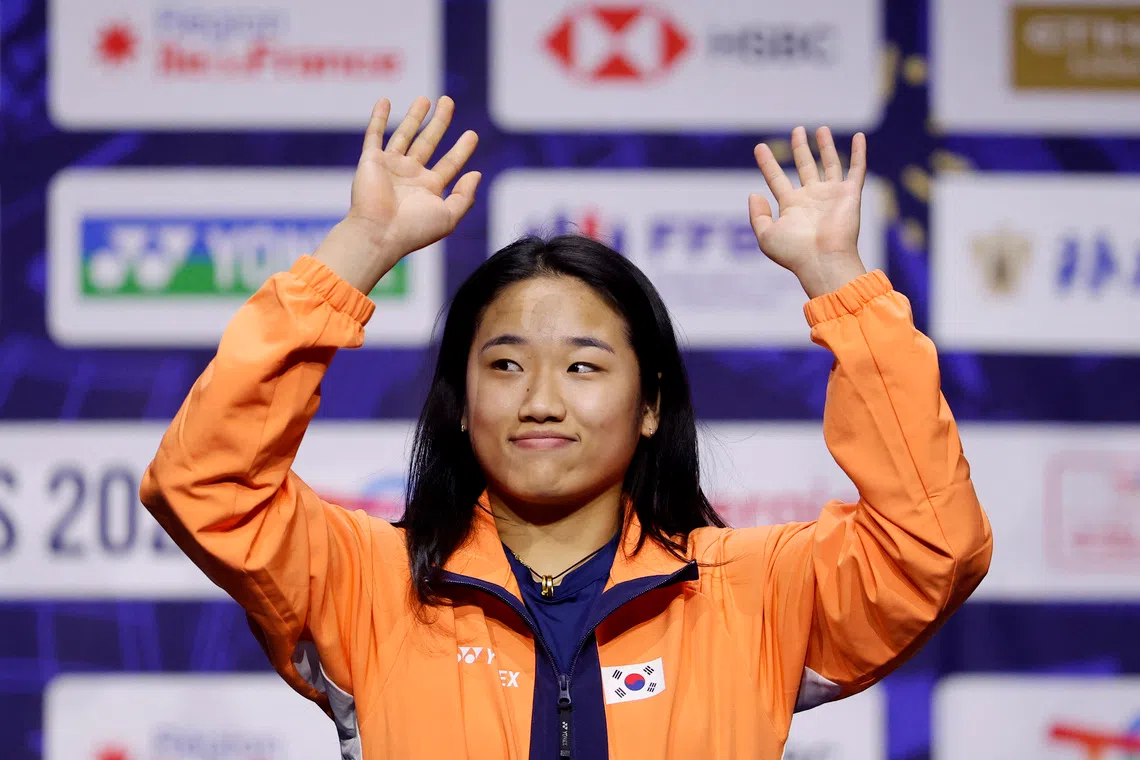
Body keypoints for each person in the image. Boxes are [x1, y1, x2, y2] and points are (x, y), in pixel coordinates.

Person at [140, 95, 992, 759]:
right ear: (462, 403)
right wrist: (359, 248)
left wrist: (838, 282)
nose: (540, 399)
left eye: (584, 366)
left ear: (651, 403)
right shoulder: (366, 583)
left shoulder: (757, 592)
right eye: (505, 365)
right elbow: (205, 484)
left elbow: (932, 545)